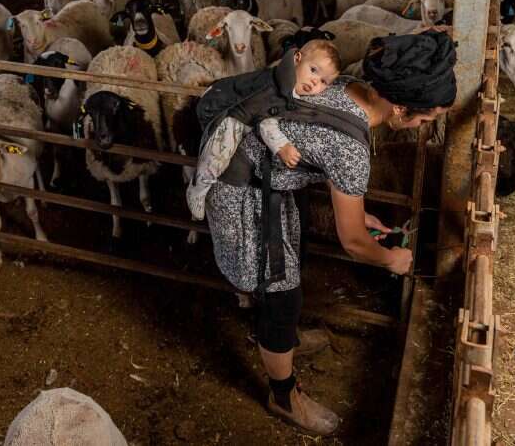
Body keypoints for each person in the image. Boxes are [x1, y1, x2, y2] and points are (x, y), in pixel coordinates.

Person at [204, 31, 458, 436]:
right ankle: (283, 394)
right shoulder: (352, 150)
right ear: (400, 107)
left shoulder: (346, 84)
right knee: (281, 293)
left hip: (268, 181)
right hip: (242, 194)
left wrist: (361, 214)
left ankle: (283, 340)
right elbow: (354, 242)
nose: (423, 126)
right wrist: (395, 259)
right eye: (426, 119)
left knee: (290, 268)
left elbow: (317, 152)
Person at [186, 40, 342, 219]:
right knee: (220, 152)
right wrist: (282, 147)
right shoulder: (274, 88)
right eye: (313, 70)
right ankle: (199, 186)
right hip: (225, 110)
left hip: (247, 113)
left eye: (324, 81)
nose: (315, 82)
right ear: (297, 59)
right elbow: (266, 121)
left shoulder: (291, 84)